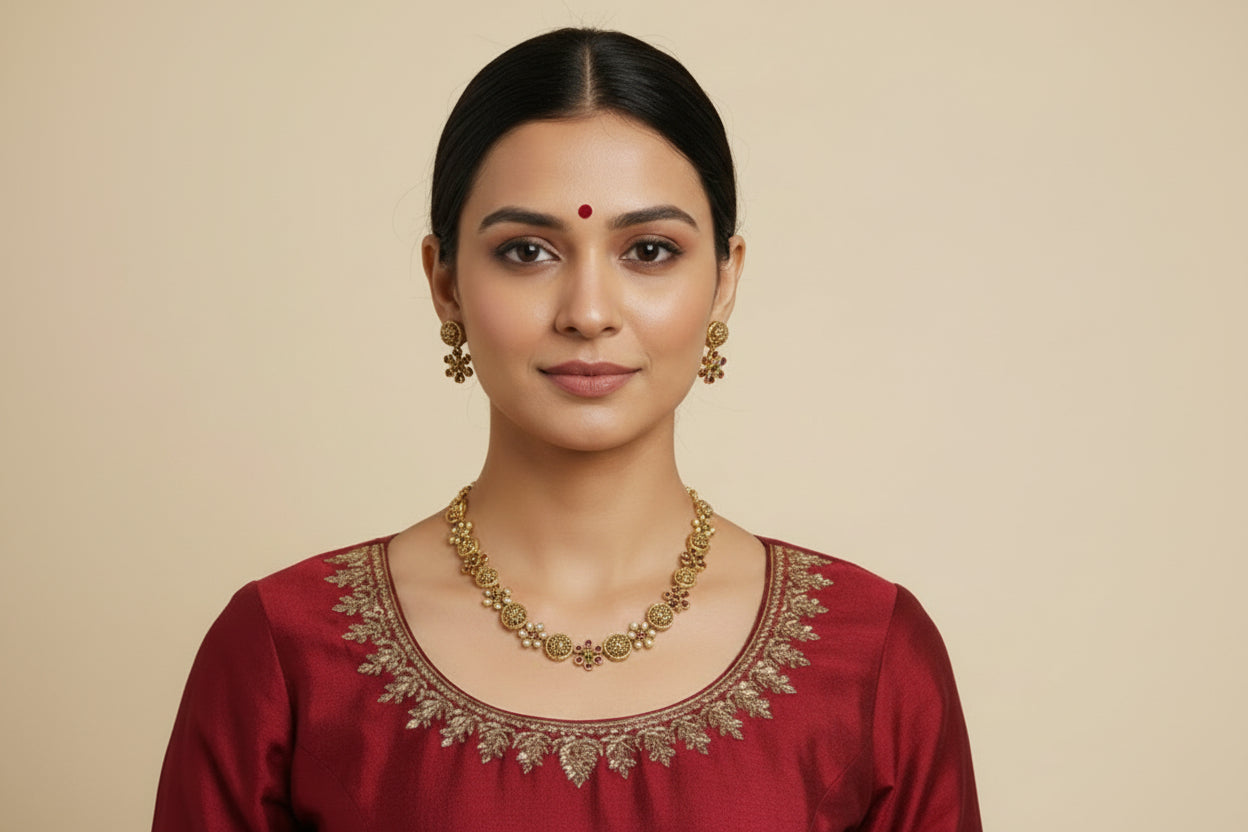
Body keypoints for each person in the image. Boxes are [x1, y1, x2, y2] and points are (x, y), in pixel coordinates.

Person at [153, 28, 981, 831]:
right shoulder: (289, 658)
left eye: (649, 250)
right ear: (444, 283)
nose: (588, 313)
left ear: (725, 279)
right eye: (527, 252)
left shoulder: (869, 658)